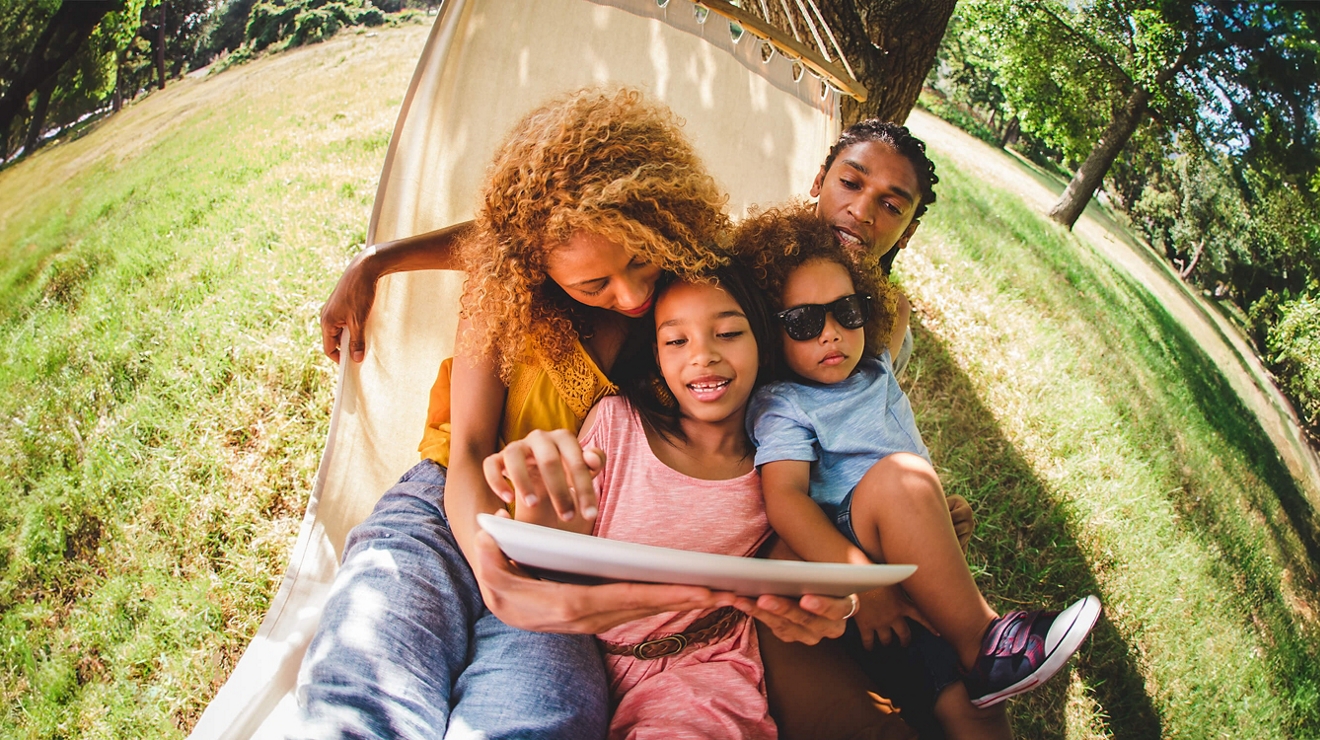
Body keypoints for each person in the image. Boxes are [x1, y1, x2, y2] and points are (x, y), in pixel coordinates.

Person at [293, 87, 858, 740]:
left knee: (546, 720)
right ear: (534, 266)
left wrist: (870, 504)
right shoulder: (505, 289)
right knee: (361, 693)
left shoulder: (690, 289)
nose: (632, 294)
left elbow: (803, 346)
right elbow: (471, 444)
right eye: (595, 286)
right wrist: (377, 259)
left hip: (564, 553)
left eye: (640, 259)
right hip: (444, 508)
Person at [740, 205, 1103, 739]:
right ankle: (988, 643)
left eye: (847, 311)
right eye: (803, 322)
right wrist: (864, 581)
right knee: (900, 480)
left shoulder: (875, 367)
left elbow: (897, 307)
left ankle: (980, 671)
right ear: (772, 334)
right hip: (848, 557)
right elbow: (786, 500)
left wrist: (931, 509)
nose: (831, 334)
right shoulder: (785, 402)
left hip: (905, 562)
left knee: (969, 704)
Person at [484, 264, 782, 739]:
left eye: (727, 333)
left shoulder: (778, 467)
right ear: (657, 357)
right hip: (576, 655)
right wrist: (539, 506)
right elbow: (560, 555)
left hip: (703, 668)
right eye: (676, 341)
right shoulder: (617, 425)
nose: (702, 356)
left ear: (763, 343)